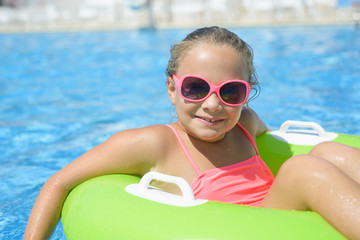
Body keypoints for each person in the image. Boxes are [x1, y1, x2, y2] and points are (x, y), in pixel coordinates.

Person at [25, 26, 360, 240]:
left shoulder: (247, 124)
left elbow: (274, 152)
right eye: (196, 88)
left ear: (246, 95)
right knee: (304, 169)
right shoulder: (156, 143)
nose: (213, 104)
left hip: (284, 216)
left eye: (231, 92)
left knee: (328, 153)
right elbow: (59, 182)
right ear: (172, 89)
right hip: (243, 231)